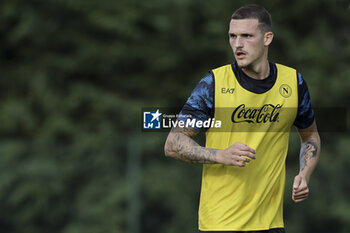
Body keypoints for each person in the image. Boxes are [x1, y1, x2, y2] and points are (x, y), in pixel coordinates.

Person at [164, 4, 321, 233]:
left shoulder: (293, 82)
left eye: (247, 36)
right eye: (232, 36)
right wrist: (220, 155)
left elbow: (310, 136)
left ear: (267, 38)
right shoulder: (214, 84)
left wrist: (304, 175)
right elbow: (173, 143)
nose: (238, 44)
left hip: (271, 224)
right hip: (221, 223)